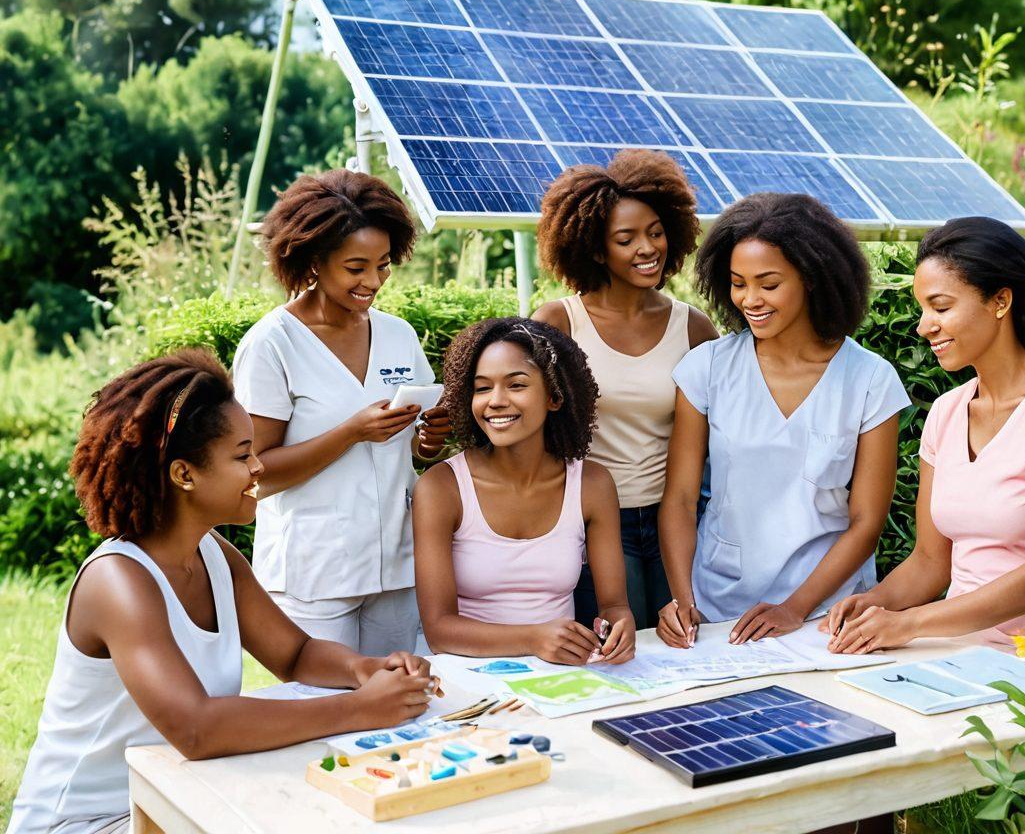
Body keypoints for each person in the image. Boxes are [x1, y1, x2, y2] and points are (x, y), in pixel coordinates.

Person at [7, 351, 435, 834]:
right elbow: (196, 729)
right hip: (91, 821)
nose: (258, 467)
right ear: (184, 474)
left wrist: (365, 669)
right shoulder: (119, 582)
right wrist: (360, 709)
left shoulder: (215, 555)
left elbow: (296, 655)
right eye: (241, 455)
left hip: (178, 796)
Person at [825, 217, 1025, 675]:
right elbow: (931, 561)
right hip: (969, 661)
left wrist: (909, 623)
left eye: (940, 306)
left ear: (1000, 301)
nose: (923, 327)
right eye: (922, 309)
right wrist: (869, 606)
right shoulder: (946, 412)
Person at [657, 193, 911, 649]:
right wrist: (681, 600)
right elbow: (678, 499)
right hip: (717, 608)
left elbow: (866, 522)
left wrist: (793, 609)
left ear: (812, 278)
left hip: (825, 614)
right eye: (738, 283)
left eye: (768, 284)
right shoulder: (706, 369)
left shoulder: (871, 379)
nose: (750, 299)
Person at [231, 170, 450, 655]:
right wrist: (350, 433)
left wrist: (427, 439)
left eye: (384, 265)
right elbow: (256, 474)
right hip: (315, 572)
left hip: (397, 564)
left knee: (403, 704)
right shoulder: (272, 345)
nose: (373, 281)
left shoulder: (398, 335)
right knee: (328, 709)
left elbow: (410, 446)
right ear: (313, 261)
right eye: (356, 268)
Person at [533, 150, 718, 630]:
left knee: (685, 643)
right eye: (626, 238)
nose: (647, 247)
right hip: (592, 519)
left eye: (655, 232)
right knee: (616, 652)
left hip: (675, 519)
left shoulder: (693, 327)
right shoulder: (558, 323)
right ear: (596, 249)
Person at [413, 318, 637, 665]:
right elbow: (439, 630)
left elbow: (614, 605)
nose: (496, 401)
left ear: (554, 396)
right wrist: (534, 638)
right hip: (467, 676)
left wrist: (619, 627)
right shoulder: (442, 488)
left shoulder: (592, 485)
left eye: (516, 385)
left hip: (561, 675)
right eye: (482, 388)